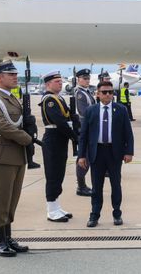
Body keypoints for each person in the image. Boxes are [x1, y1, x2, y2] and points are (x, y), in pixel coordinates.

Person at [0, 60, 35, 257]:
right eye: (10, 74)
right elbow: (1, 126)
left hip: (17, 156)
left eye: (15, 74)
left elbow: (19, 122)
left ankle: (8, 236)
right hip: (1, 157)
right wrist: (27, 139)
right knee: (1, 200)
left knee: (12, 199)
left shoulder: (13, 99)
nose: (15, 77)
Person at [78, 80, 134, 228]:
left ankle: (117, 214)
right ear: (98, 94)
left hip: (114, 152)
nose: (108, 94)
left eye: (110, 92)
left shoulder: (121, 109)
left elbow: (128, 133)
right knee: (97, 186)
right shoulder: (91, 111)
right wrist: (81, 155)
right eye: (104, 92)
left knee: (116, 184)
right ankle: (94, 215)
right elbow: (83, 135)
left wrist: (129, 152)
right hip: (96, 152)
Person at [39, 71, 79, 223]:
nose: (60, 83)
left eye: (60, 81)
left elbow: (68, 117)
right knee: (53, 175)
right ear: (48, 84)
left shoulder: (58, 98)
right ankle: (51, 210)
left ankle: (56, 206)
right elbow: (60, 122)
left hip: (60, 139)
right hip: (53, 138)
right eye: (56, 82)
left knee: (59, 173)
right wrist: (75, 136)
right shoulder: (49, 100)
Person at [74, 68, 95, 197]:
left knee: (87, 157)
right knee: (84, 158)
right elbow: (84, 113)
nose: (87, 80)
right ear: (78, 79)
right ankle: (81, 186)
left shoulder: (86, 92)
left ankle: (82, 185)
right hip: (85, 130)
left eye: (88, 78)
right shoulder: (80, 94)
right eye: (84, 78)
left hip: (88, 130)